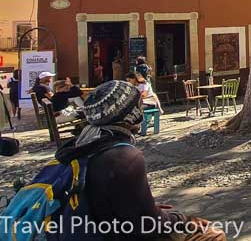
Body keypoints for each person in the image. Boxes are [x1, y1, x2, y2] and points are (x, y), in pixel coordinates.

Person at [51, 80, 225, 239]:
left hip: (82, 229)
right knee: (213, 234)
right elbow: (147, 224)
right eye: (139, 105)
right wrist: (182, 219)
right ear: (131, 113)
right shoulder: (124, 157)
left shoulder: (78, 146)